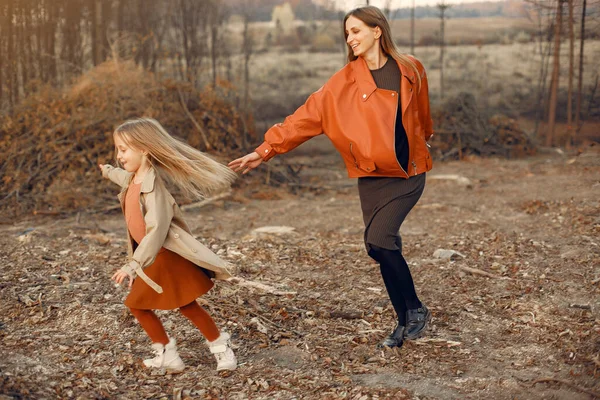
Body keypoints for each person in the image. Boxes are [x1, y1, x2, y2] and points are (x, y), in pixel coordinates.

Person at [229, 6, 434, 349]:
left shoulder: (410, 68)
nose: (350, 38)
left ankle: (414, 310)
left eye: (356, 31)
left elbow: (422, 110)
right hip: (371, 177)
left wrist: (426, 135)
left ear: (377, 31)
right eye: (347, 33)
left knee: (382, 239)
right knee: (376, 247)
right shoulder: (343, 83)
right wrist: (264, 150)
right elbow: (302, 120)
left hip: (408, 173)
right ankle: (405, 318)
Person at [99, 117, 238, 372]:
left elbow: (155, 232)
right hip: (152, 257)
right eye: (117, 149)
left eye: (123, 149)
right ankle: (167, 353)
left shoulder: (154, 190)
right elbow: (121, 177)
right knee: (142, 306)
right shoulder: (132, 179)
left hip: (165, 256)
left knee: (182, 305)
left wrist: (132, 266)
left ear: (144, 150)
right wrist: (107, 170)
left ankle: (220, 348)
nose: (119, 155)